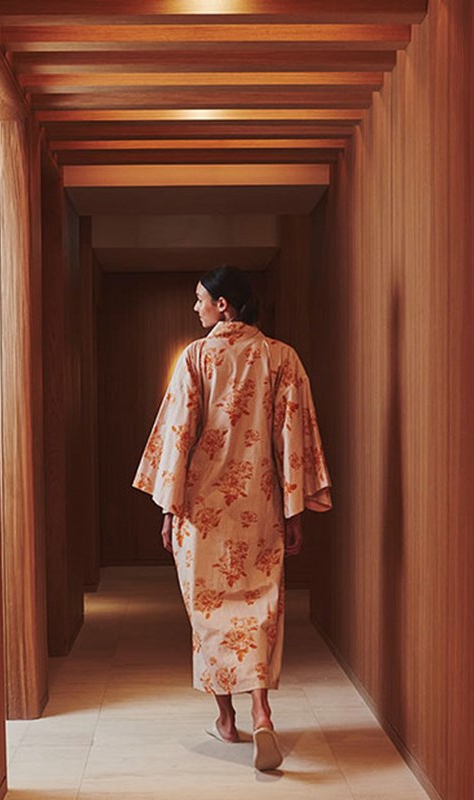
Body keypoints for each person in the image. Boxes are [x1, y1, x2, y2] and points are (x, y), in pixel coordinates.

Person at [133, 265, 332, 772]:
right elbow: (292, 437)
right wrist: (293, 510)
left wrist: (167, 507)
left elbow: (178, 435)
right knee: (259, 609)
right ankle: (261, 710)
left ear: (224, 304)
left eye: (200, 298)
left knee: (211, 616)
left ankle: (226, 720)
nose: (194, 307)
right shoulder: (282, 358)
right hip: (259, 505)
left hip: (202, 512)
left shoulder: (196, 358)